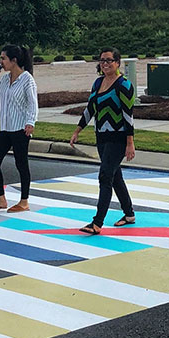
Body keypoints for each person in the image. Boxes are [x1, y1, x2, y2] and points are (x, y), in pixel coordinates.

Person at [70, 47, 136, 234]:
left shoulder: (124, 85)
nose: (105, 64)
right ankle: (129, 213)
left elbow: (128, 116)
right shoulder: (98, 83)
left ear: (117, 62)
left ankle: (97, 222)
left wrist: (130, 143)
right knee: (115, 176)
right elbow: (90, 109)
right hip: (102, 137)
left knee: (105, 176)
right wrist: (78, 130)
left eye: (109, 60)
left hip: (118, 138)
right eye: (102, 60)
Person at [0, 44, 38, 214]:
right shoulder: (5, 79)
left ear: (14, 61)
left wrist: (31, 122)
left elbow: (32, 103)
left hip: (21, 128)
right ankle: (0, 199)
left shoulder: (27, 79)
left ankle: (24, 201)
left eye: (3, 58)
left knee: (21, 164)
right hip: (5, 129)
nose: (1, 62)